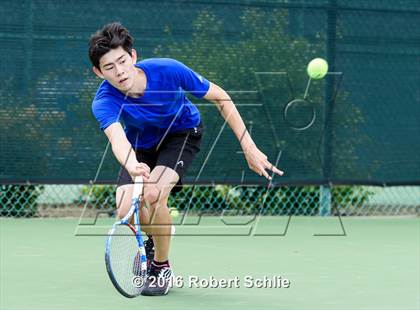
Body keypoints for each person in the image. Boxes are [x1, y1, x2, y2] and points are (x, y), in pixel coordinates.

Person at [88, 22, 283, 296]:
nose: (119, 72)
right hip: (140, 145)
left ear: (133, 56)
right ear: (98, 72)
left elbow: (221, 98)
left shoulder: (168, 70)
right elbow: (118, 139)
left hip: (182, 134)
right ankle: (154, 239)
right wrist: (133, 166)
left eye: (122, 61)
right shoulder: (103, 101)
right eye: (109, 67)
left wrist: (248, 145)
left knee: (154, 195)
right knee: (124, 210)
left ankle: (160, 266)